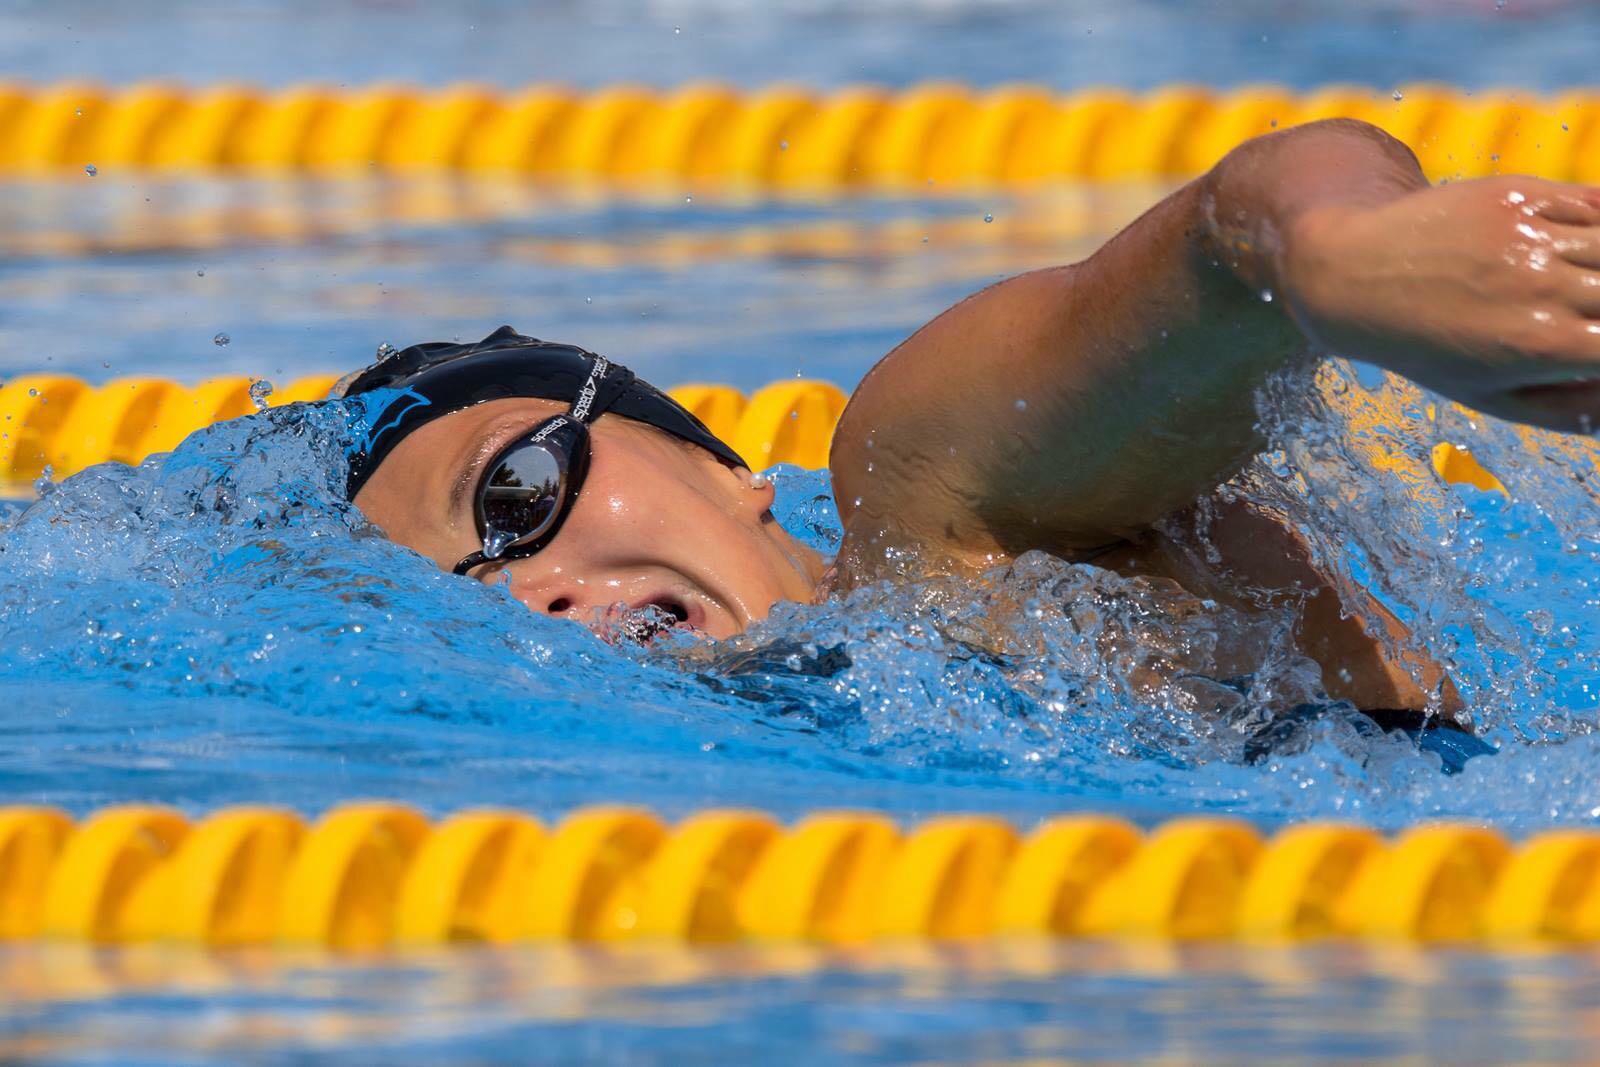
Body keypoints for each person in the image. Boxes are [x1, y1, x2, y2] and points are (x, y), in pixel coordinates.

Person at [344, 118, 1600, 723]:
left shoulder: (935, 530)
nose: (528, 599)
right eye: (456, 601)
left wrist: (1342, 261)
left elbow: (1230, 233)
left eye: (513, 497)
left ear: (725, 467)